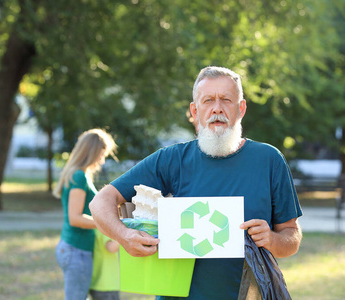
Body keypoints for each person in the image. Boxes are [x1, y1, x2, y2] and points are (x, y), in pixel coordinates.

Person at [89, 66, 303, 299]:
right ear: (195, 110)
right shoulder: (171, 159)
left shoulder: (269, 160)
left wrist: (272, 239)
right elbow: (100, 202)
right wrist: (124, 236)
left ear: (241, 108)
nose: (217, 108)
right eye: (208, 100)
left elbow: (291, 237)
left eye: (226, 100)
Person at [53, 128, 117, 300]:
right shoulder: (79, 176)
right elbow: (75, 218)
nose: (102, 161)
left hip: (75, 249)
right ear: (92, 152)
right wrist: (107, 222)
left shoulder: (79, 175)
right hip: (76, 250)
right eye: (101, 154)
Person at [89, 229, 121, 300]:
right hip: (105, 285)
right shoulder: (103, 228)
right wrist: (124, 238)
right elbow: (111, 247)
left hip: (106, 285)